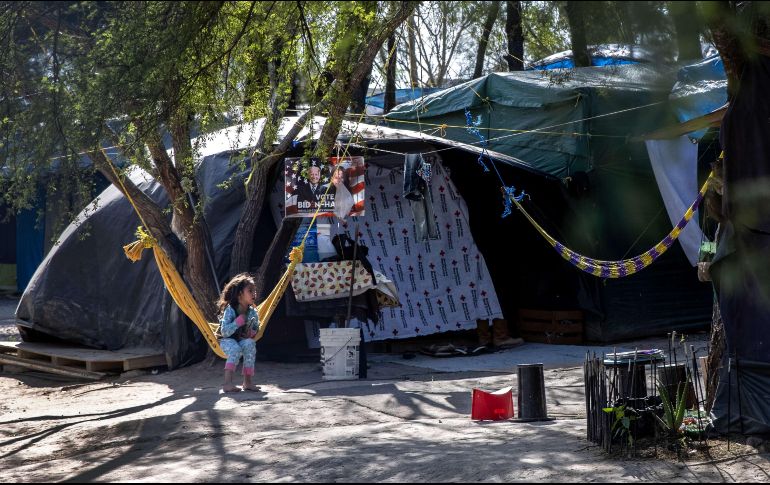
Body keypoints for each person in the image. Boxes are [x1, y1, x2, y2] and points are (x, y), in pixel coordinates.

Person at [216, 273, 261, 393]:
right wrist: (236, 323)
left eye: (254, 291)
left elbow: (257, 327)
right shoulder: (231, 309)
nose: (254, 294)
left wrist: (251, 333)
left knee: (250, 344)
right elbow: (224, 331)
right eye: (250, 291)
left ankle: (247, 382)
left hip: (240, 340)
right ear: (240, 294)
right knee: (235, 349)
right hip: (226, 341)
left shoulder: (252, 312)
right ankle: (227, 383)